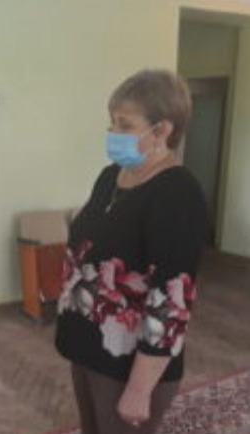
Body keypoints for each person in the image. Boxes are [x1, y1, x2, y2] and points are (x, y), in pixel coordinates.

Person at [55, 69, 207, 434]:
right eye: (112, 122)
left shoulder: (177, 193)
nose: (113, 132)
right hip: (89, 347)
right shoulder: (111, 177)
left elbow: (172, 300)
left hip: (128, 362)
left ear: (162, 130)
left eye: (125, 125)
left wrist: (139, 390)